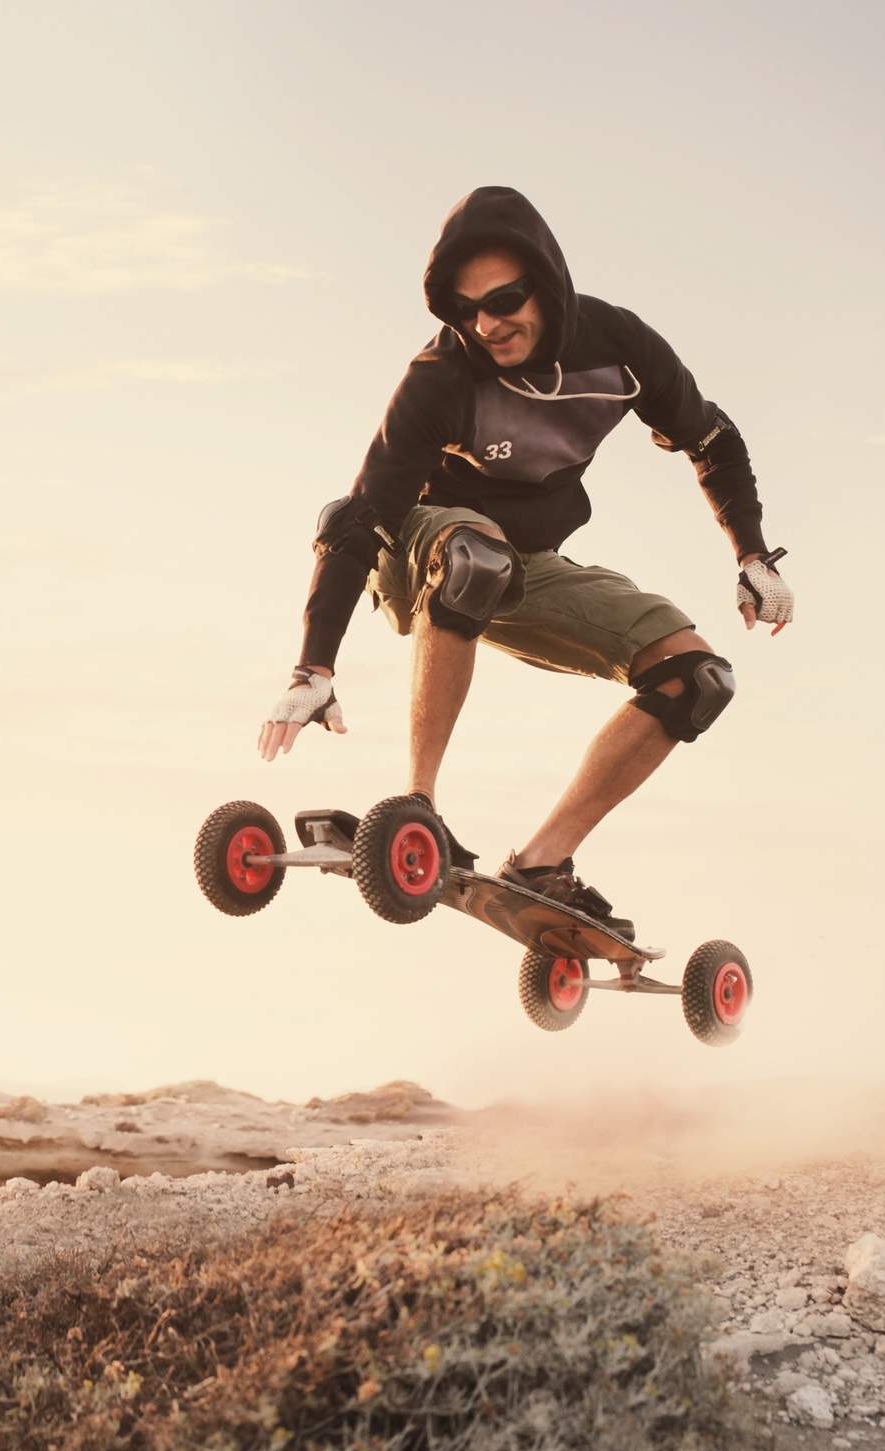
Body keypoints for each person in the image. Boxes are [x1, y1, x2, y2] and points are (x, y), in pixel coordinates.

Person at [255, 186, 791, 939]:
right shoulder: (441, 378)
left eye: (504, 301)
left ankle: (543, 863)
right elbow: (360, 520)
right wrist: (314, 668)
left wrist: (752, 554)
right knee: (477, 554)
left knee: (696, 678)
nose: (488, 325)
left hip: (527, 563)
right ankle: (420, 809)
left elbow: (713, 438)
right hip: (420, 545)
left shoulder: (623, 349)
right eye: (466, 311)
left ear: (548, 284)